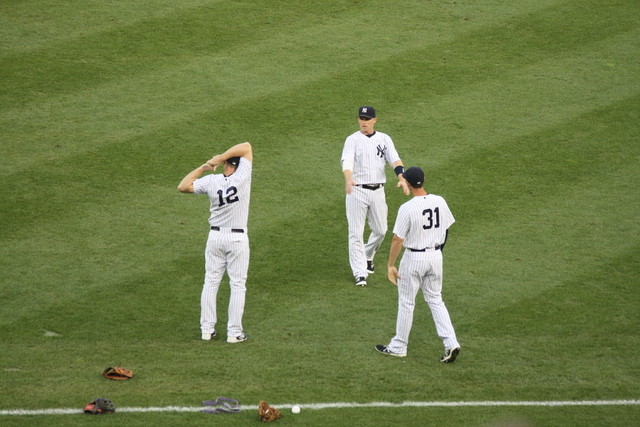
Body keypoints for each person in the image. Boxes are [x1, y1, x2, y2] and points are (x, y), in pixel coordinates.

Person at [375, 166, 461, 362]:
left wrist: (390, 265)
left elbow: (398, 239)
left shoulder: (407, 208)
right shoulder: (439, 200)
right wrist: (437, 252)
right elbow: (446, 228)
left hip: (414, 258)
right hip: (436, 256)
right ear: (424, 179)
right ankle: (451, 343)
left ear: (407, 183)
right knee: (436, 300)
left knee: (407, 302)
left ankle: (399, 346)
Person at [177, 142, 253, 343]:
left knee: (211, 281)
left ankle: (207, 330)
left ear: (226, 165)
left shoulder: (212, 181)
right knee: (237, 285)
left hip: (215, 238)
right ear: (237, 165)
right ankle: (234, 333)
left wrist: (204, 167)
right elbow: (246, 146)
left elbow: (183, 186)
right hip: (237, 238)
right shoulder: (242, 177)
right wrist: (221, 157)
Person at [341, 106, 409, 287]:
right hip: (356, 190)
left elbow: (395, 160)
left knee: (381, 230)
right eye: (361, 118)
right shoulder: (352, 140)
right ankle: (360, 273)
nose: (363, 122)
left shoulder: (384, 139)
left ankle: (368, 255)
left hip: (378, 191)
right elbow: (347, 162)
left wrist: (401, 178)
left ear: (374, 120)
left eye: (367, 119)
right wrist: (348, 179)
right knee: (355, 233)